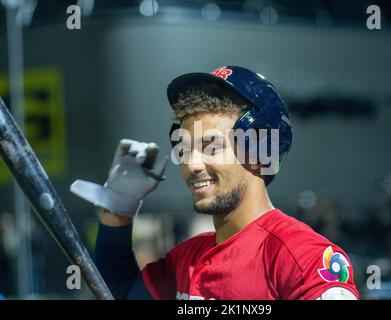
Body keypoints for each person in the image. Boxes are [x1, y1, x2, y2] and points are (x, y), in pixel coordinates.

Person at [71, 66, 358, 300]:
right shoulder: (187, 258)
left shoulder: (302, 258)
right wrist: (119, 206)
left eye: (211, 147)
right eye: (184, 150)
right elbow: (117, 293)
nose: (191, 164)